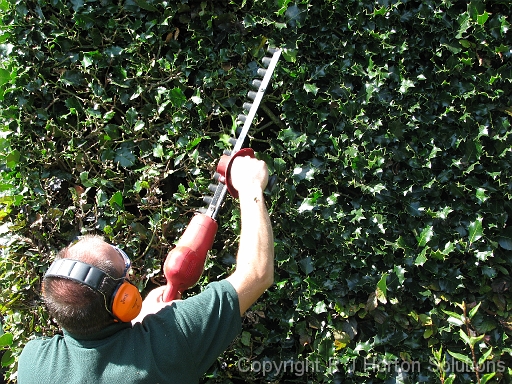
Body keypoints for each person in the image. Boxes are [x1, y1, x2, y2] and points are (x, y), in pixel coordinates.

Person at [17, 156, 274, 384]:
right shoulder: (171, 342)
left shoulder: (33, 363)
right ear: (124, 301)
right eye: (123, 262)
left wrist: (140, 323)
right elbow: (257, 273)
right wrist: (250, 185)